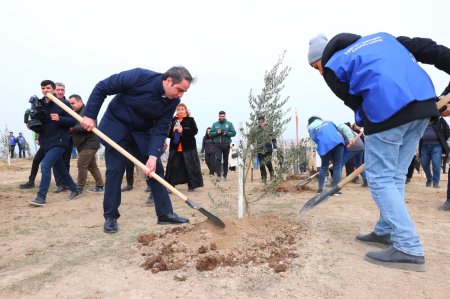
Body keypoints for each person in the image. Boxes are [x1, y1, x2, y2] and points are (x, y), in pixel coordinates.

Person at [308, 32, 450, 271]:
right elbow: (432, 49)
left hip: (387, 114)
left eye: (316, 66)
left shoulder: (333, 66)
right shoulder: (385, 39)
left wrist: (367, 123)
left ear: (324, 56)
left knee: (380, 178)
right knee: (394, 176)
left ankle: (408, 247)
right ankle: (385, 230)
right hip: (424, 108)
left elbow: (354, 102)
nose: (320, 72)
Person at [80, 67, 193, 233]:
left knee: (155, 170)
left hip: (142, 132)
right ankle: (110, 216)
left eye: (184, 91)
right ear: (168, 81)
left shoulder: (173, 101)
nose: (181, 95)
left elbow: (161, 127)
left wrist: (153, 156)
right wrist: (90, 115)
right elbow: (102, 87)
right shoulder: (139, 76)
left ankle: (165, 214)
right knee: (115, 171)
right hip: (117, 126)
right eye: (179, 90)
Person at [29, 80, 82, 206]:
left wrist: (60, 119)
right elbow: (35, 120)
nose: (45, 90)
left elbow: (74, 121)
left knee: (45, 165)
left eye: (48, 88)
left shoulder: (63, 104)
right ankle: (75, 190)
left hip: (60, 141)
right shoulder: (39, 104)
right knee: (60, 168)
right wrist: (31, 124)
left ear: (53, 89)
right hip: (45, 141)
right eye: (43, 88)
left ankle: (41, 197)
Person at [68, 94, 105, 193]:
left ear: (80, 101)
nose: (71, 105)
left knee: (81, 164)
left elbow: (88, 126)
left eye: (73, 103)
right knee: (92, 166)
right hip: (83, 144)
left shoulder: (88, 112)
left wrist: (73, 128)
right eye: (69, 103)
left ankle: (79, 188)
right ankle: (100, 186)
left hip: (90, 143)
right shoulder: (75, 112)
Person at [165, 103, 203, 191]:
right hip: (175, 147)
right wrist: (172, 130)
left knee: (189, 167)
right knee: (173, 167)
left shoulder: (190, 120)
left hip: (189, 147)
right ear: (176, 111)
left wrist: (183, 130)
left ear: (186, 110)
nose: (180, 111)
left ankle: (191, 185)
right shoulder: (173, 120)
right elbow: (168, 134)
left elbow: (195, 131)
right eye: (178, 109)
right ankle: (170, 187)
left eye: (182, 109)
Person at [307, 116, 344, 194]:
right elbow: (339, 129)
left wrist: (322, 155)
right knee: (337, 166)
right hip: (338, 142)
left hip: (324, 145)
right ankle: (335, 190)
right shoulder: (329, 123)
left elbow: (314, 145)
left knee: (324, 167)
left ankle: (320, 190)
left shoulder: (312, 131)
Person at [418, 117, 450, 188]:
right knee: (424, 163)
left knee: (436, 164)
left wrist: (442, 139)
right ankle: (429, 178)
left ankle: (436, 182)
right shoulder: (423, 120)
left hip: (437, 146)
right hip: (424, 146)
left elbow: (448, 131)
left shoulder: (440, 120)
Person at [53, 82, 72, 193]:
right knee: (55, 161)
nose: (60, 92)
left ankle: (66, 183)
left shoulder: (67, 104)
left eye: (62, 90)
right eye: (58, 89)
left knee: (66, 161)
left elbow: (72, 121)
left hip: (66, 137)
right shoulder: (49, 104)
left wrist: (60, 119)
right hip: (53, 138)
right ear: (54, 91)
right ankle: (59, 184)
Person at [210, 111, 236, 180]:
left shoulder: (229, 124)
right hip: (217, 144)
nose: (222, 117)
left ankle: (225, 175)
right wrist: (216, 132)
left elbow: (234, 133)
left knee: (225, 160)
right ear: (218, 116)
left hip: (226, 144)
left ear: (225, 116)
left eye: (223, 116)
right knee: (218, 158)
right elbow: (211, 133)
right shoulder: (215, 124)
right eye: (220, 116)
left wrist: (227, 133)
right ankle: (218, 175)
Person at [253, 115, 277, 183]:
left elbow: (273, 138)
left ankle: (272, 175)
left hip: (268, 148)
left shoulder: (269, 128)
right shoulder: (257, 129)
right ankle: (264, 178)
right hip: (260, 149)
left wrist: (275, 147)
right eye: (259, 121)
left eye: (261, 121)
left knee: (268, 163)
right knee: (261, 164)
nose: (260, 122)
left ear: (264, 121)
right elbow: (253, 138)